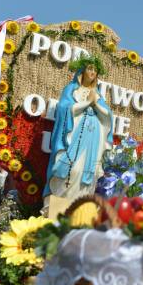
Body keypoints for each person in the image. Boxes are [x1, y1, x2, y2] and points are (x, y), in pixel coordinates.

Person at [43, 55, 113, 213]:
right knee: (71, 170)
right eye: (90, 69)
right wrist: (87, 103)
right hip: (74, 137)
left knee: (86, 173)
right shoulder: (71, 89)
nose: (92, 72)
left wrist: (95, 103)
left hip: (92, 141)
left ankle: (79, 209)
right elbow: (64, 108)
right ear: (82, 71)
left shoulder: (97, 95)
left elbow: (108, 116)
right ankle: (59, 209)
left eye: (95, 70)